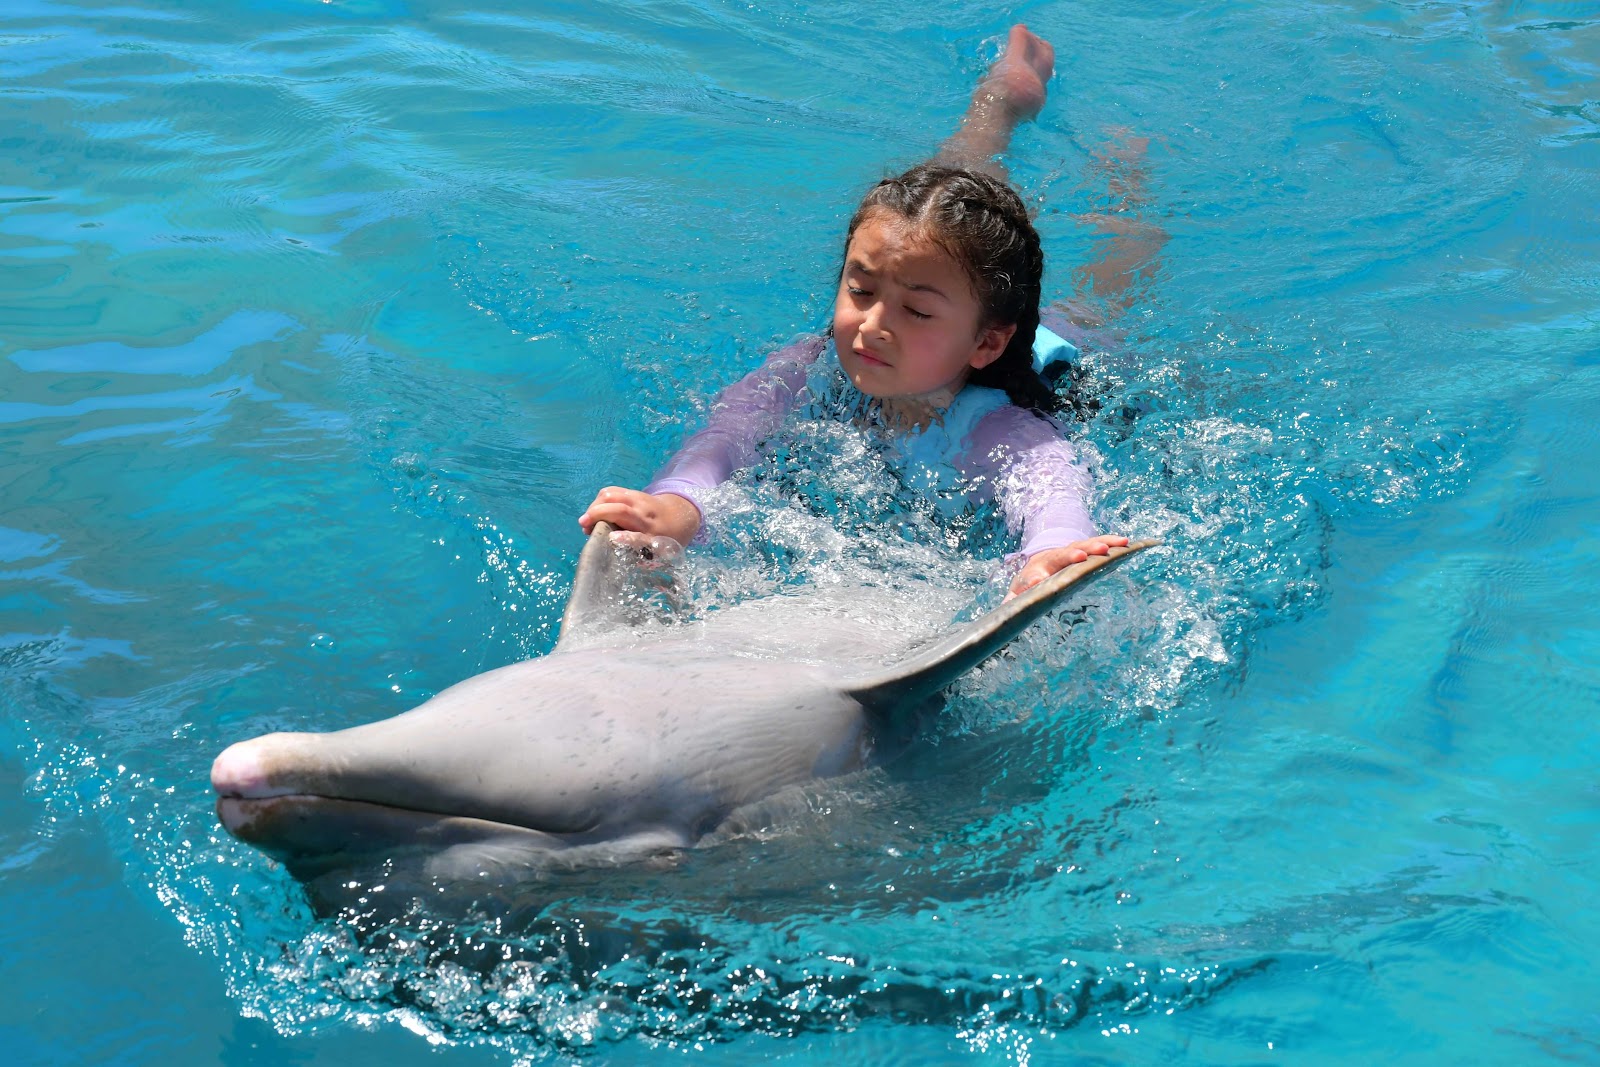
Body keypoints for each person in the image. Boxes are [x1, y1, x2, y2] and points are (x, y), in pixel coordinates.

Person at [580, 25, 1163, 597]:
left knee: (1107, 280)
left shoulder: (1000, 431)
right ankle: (1000, 100)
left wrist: (1051, 552)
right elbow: (725, 438)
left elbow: (1053, 491)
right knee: (939, 211)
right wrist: (677, 507)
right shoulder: (804, 372)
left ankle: (1128, 178)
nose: (873, 324)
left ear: (986, 343)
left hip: (1063, 347)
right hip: (967, 300)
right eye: (860, 290)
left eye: (916, 312)